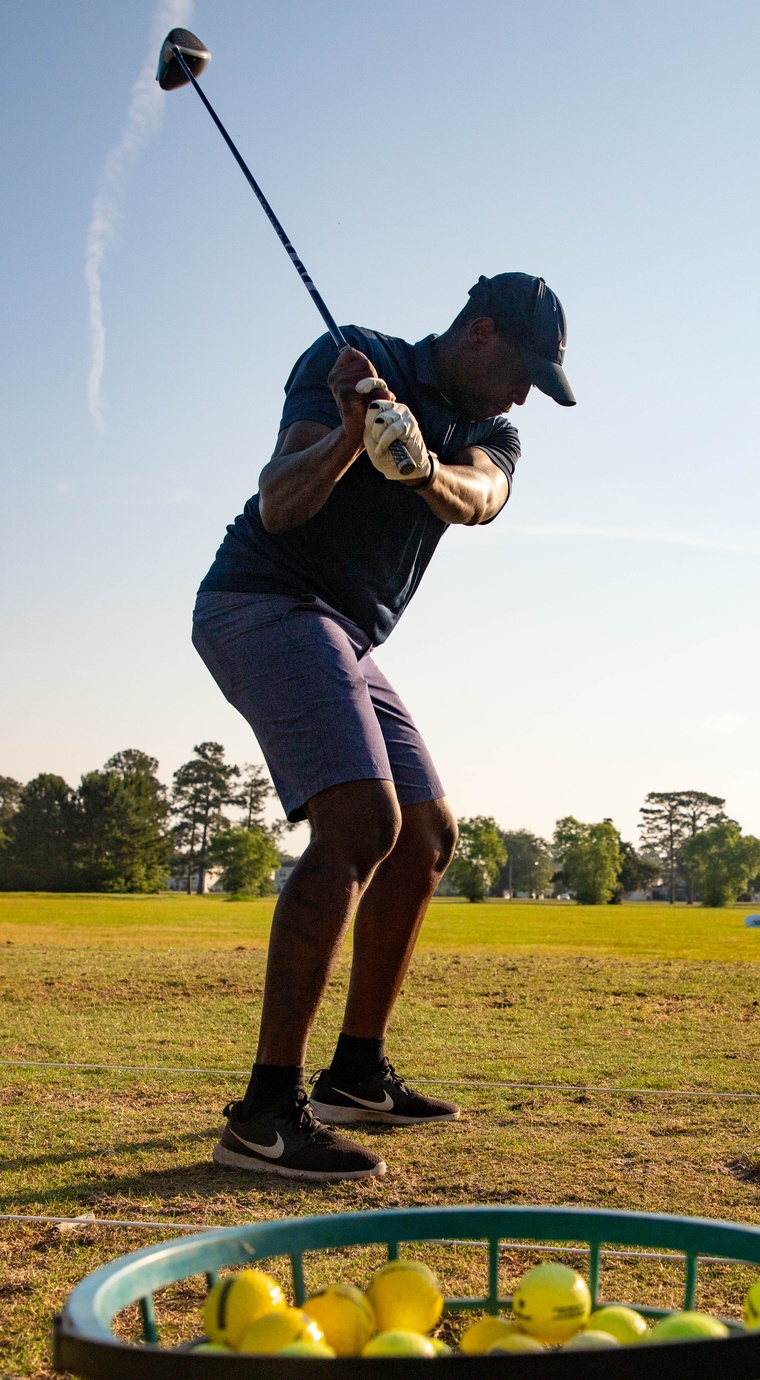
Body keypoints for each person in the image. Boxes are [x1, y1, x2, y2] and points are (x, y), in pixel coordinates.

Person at [192, 272, 575, 1182]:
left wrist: (419, 465)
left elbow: (481, 498)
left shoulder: (492, 431)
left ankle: (355, 1074)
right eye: (522, 369)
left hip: (346, 633)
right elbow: (280, 502)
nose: (524, 394)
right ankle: (264, 1112)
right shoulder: (353, 359)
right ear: (480, 332)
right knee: (365, 821)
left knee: (426, 836)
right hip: (264, 600)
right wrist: (349, 439)